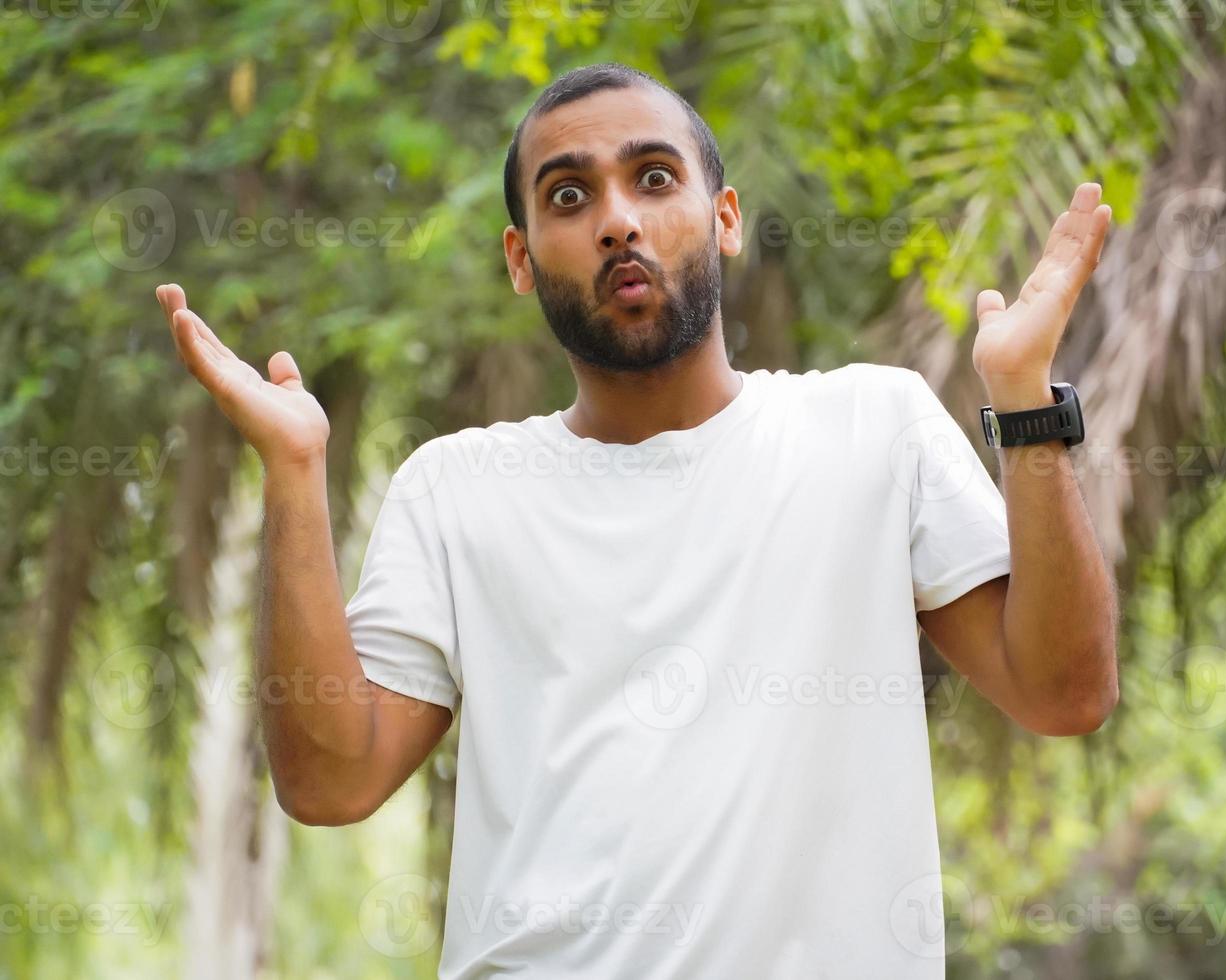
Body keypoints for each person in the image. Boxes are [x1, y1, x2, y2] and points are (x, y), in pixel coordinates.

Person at [157, 61, 1118, 980]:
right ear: (521, 260)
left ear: (725, 217)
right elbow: (331, 784)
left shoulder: (875, 427)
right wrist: (294, 471)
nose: (618, 221)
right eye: (568, 197)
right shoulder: (455, 490)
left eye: (654, 179)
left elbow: (1063, 691)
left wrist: (1026, 403)